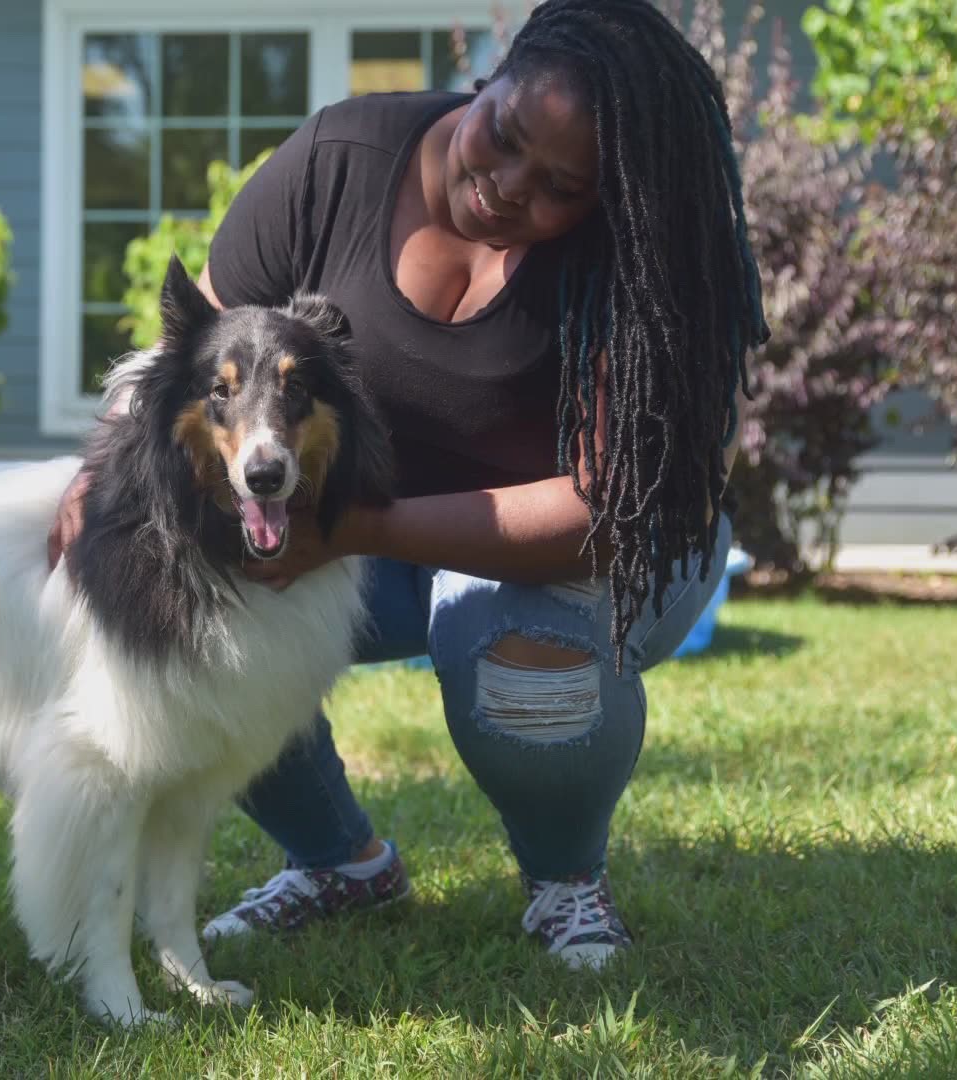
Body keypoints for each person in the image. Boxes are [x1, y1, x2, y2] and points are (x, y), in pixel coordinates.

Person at [48, 0, 767, 969]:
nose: (506, 187)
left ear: (614, 197)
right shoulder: (338, 161)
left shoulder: (646, 265)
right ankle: (341, 864)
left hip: (591, 549)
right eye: (503, 136)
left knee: (511, 645)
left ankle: (565, 883)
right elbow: (197, 347)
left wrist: (351, 533)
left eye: (560, 186)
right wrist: (98, 476)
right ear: (492, 76)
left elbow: (600, 512)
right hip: (361, 526)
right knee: (189, 599)